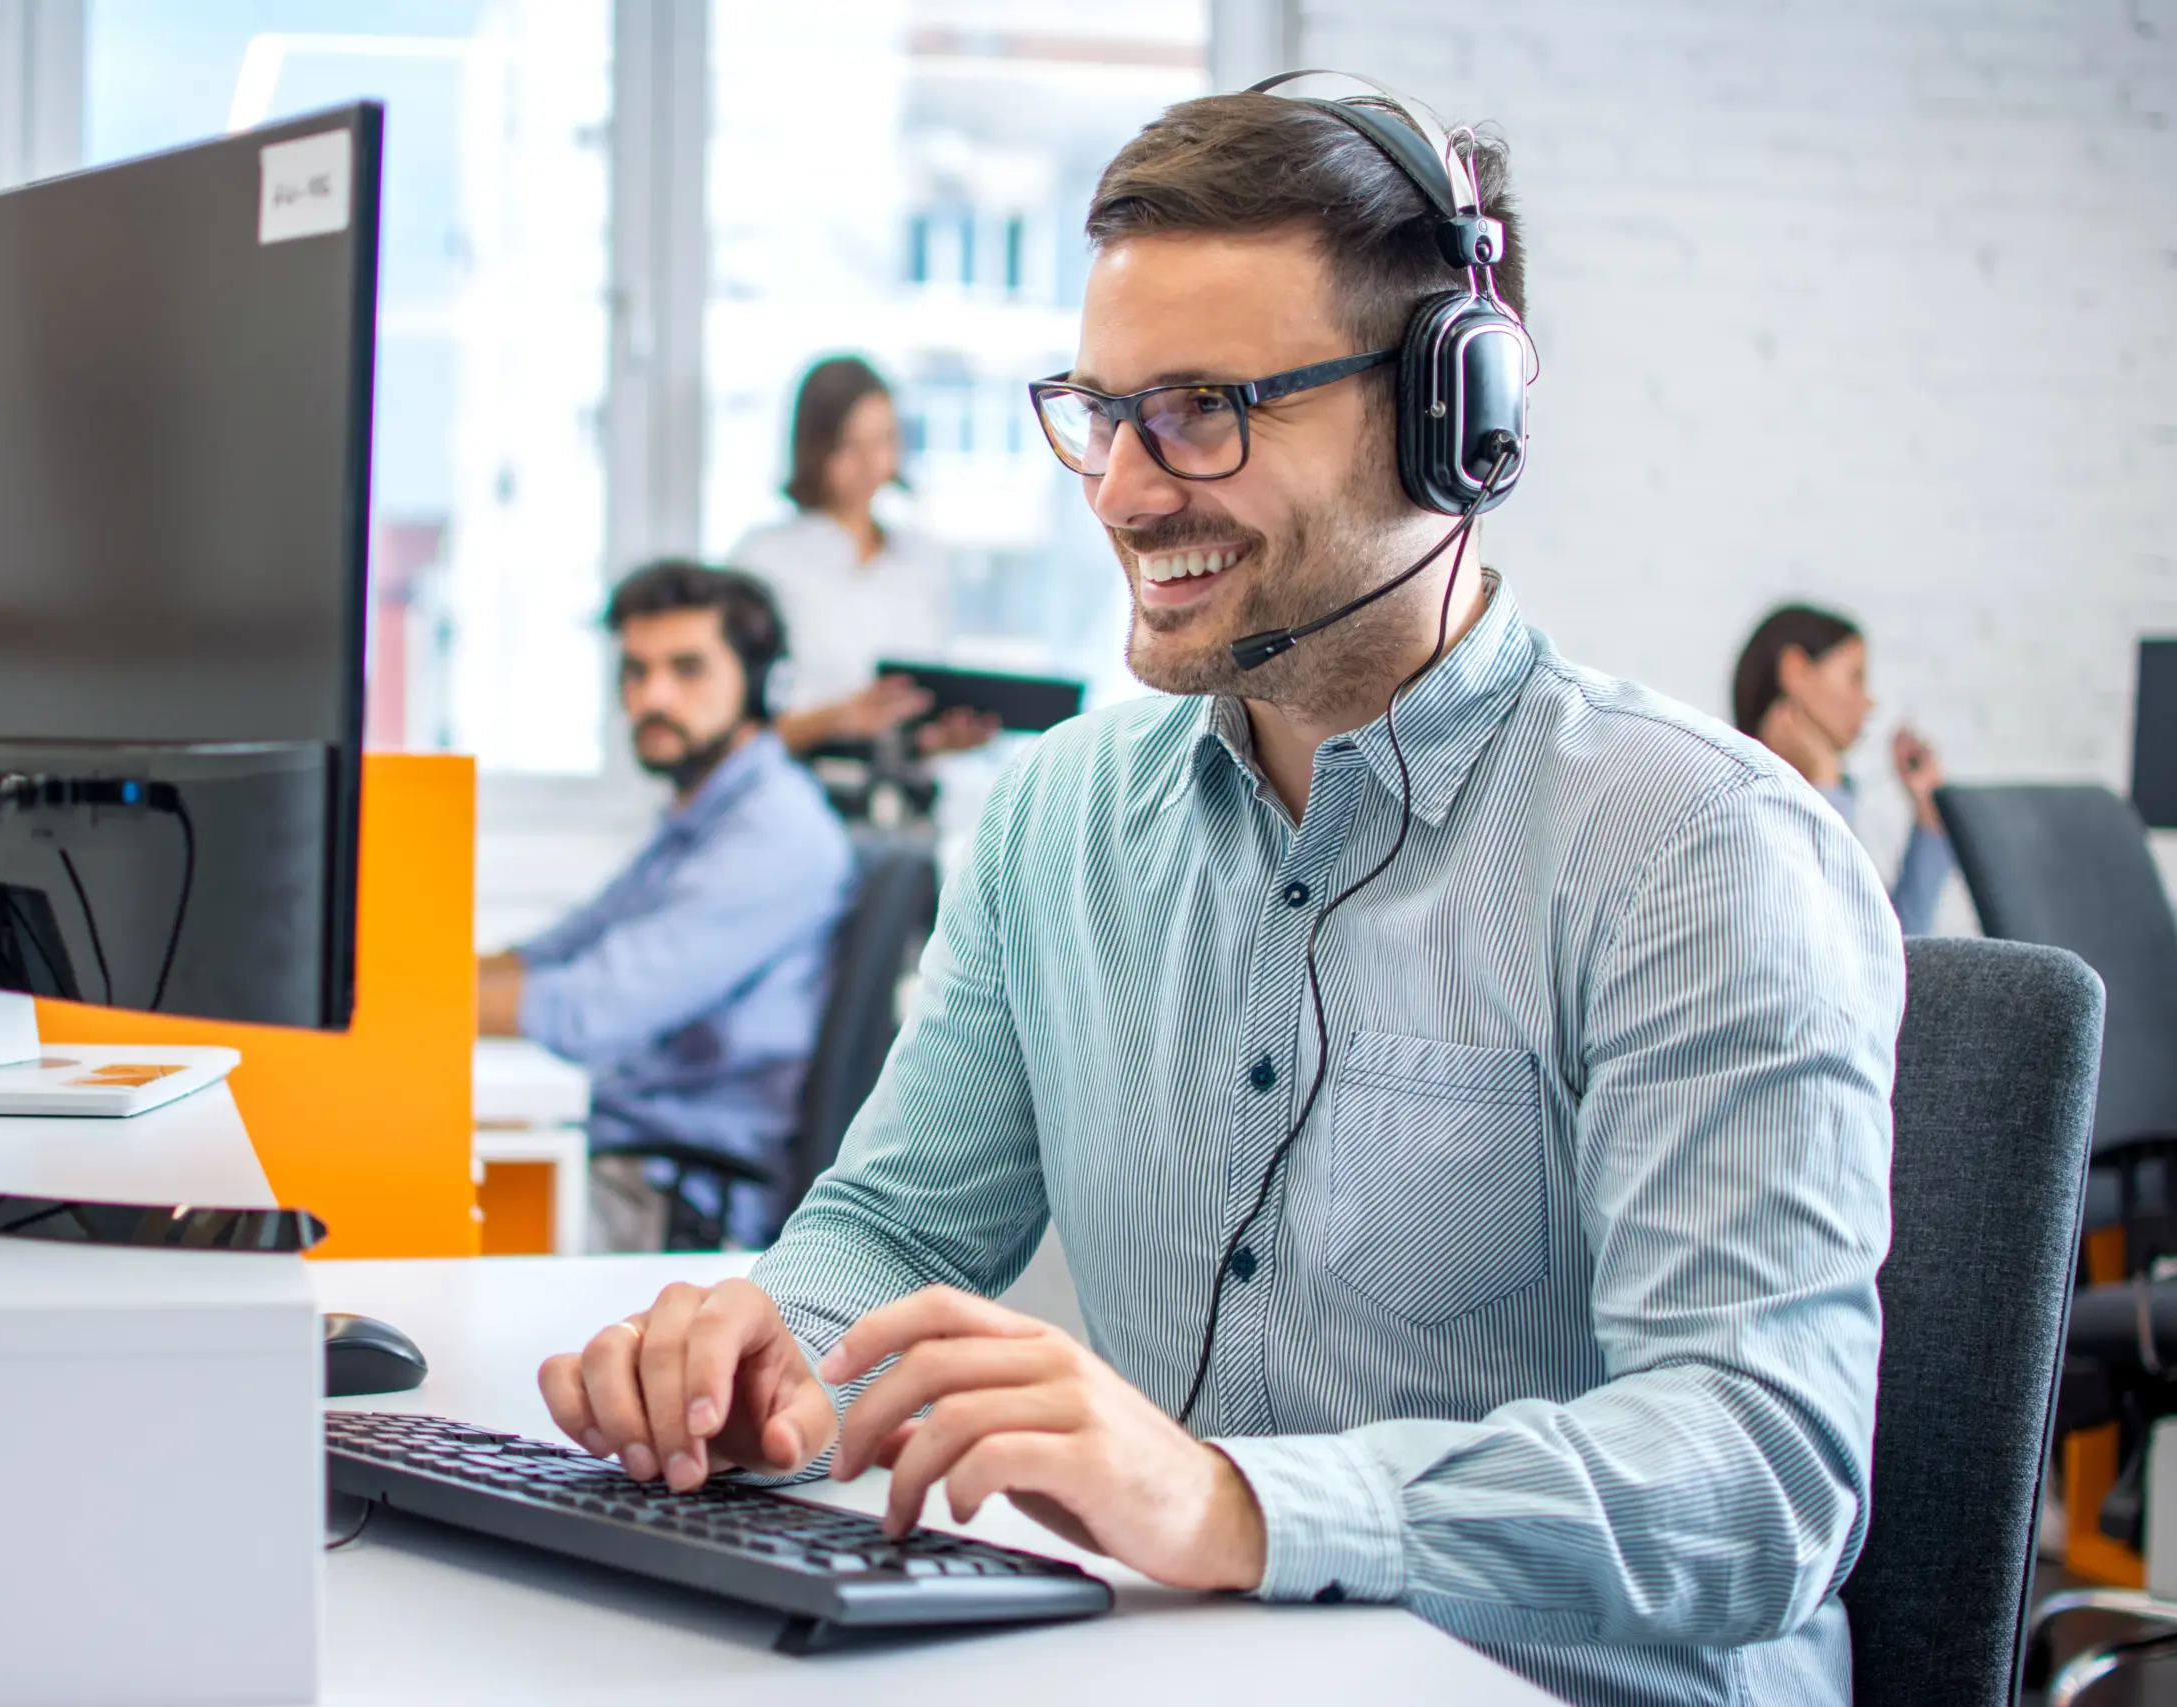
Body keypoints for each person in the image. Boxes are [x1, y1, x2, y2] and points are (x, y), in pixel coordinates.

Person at [538, 83, 1901, 1707]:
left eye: (1202, 410)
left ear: (1449, 416)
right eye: (1101, 411)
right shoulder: (1058, 821)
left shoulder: (1697, 851)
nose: (1119, 489)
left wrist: (1229, 1502)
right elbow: (893, 1231)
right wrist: (766, 1362)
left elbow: (1758, 1464)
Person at [478, 560, 853, 1249]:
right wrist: (405, 980)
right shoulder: (702, 815)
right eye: (635, 670)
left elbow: (592, 1007)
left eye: (687, 669)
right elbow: (559, 950)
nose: (653, 695)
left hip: (672, 1192)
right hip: (624, 1151)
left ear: (763, 683)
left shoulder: (775, 832)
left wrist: (392, 1007)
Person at [730, 356, 998, 762]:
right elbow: (732, 731)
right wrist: (837, 718)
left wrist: (943, 738)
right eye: (849, 446)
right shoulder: (763, 561)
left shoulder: (922, 562)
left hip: (904, 801)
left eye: (884, 441)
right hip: (804, 789)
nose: (872, 464)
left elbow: (922, 711)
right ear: (814, 449)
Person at [1735, 604, 1954, 934]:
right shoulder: (1742, 802)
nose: (1869, 701)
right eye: (1856, 677)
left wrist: (1927, 813)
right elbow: (1835, 944)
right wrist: (1824, 780)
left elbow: (1895, 953)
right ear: (1796, 671)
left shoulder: (1835, 794)